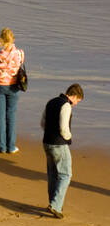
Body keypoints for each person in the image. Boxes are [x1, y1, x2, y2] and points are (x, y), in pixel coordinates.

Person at [41, 84, 84, 218]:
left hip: (46, 142)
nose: (76, 104)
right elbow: (64, 127)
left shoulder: (51, 102)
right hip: (59, 144)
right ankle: (56, 205)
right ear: (74, 96)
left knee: (52, 174)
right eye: (77, 101)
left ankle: (53, 202)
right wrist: (68, 138)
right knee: (66, 174)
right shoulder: (66, 106)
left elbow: (43, 122)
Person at [0, 28, 25, 154]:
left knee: (0, 116)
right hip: (14, 86)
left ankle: (1, 146)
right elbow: (19, 63)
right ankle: (11, 146)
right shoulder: (20, 53)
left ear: (2, 40)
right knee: (11, 116)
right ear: (13, 39)